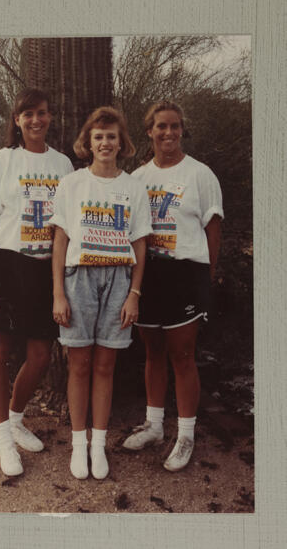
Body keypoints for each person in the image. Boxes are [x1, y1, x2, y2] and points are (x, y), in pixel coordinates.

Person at [0, 88, 73, 476]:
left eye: (42, 113)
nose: (36, 120)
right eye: (28, 114)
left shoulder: (63, 165)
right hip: (6, 263)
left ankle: (15, 418)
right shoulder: (1, 161)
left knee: (41, 355)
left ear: (50, 117)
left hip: (46, 268)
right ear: (16, 119)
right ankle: (3, 437)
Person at [50, 106, 152, 480]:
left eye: (111, 136)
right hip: (79, 278)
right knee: (79, 364)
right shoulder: (72, 184)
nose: (105, 142)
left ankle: (99, 445)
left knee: (106, 365)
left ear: (121, 142)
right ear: (88, 143)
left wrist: (134, 294)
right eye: (98, 137)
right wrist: (58, 293)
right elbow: (60, 240)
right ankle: (79, 445)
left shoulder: (133, 186)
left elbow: (140, 245)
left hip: (119, 281)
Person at [122, 101, 223, 472]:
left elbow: (213, 228)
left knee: (182, 355)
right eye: (161, 127)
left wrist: (207, 276)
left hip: (186, 272)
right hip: (149, 274)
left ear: (183, 130)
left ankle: (185, 435)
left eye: (175, 126)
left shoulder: (200, 174)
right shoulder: (137, 178)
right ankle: (154, 425)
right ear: (149, 131)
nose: (169, 133)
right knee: (153, 352)